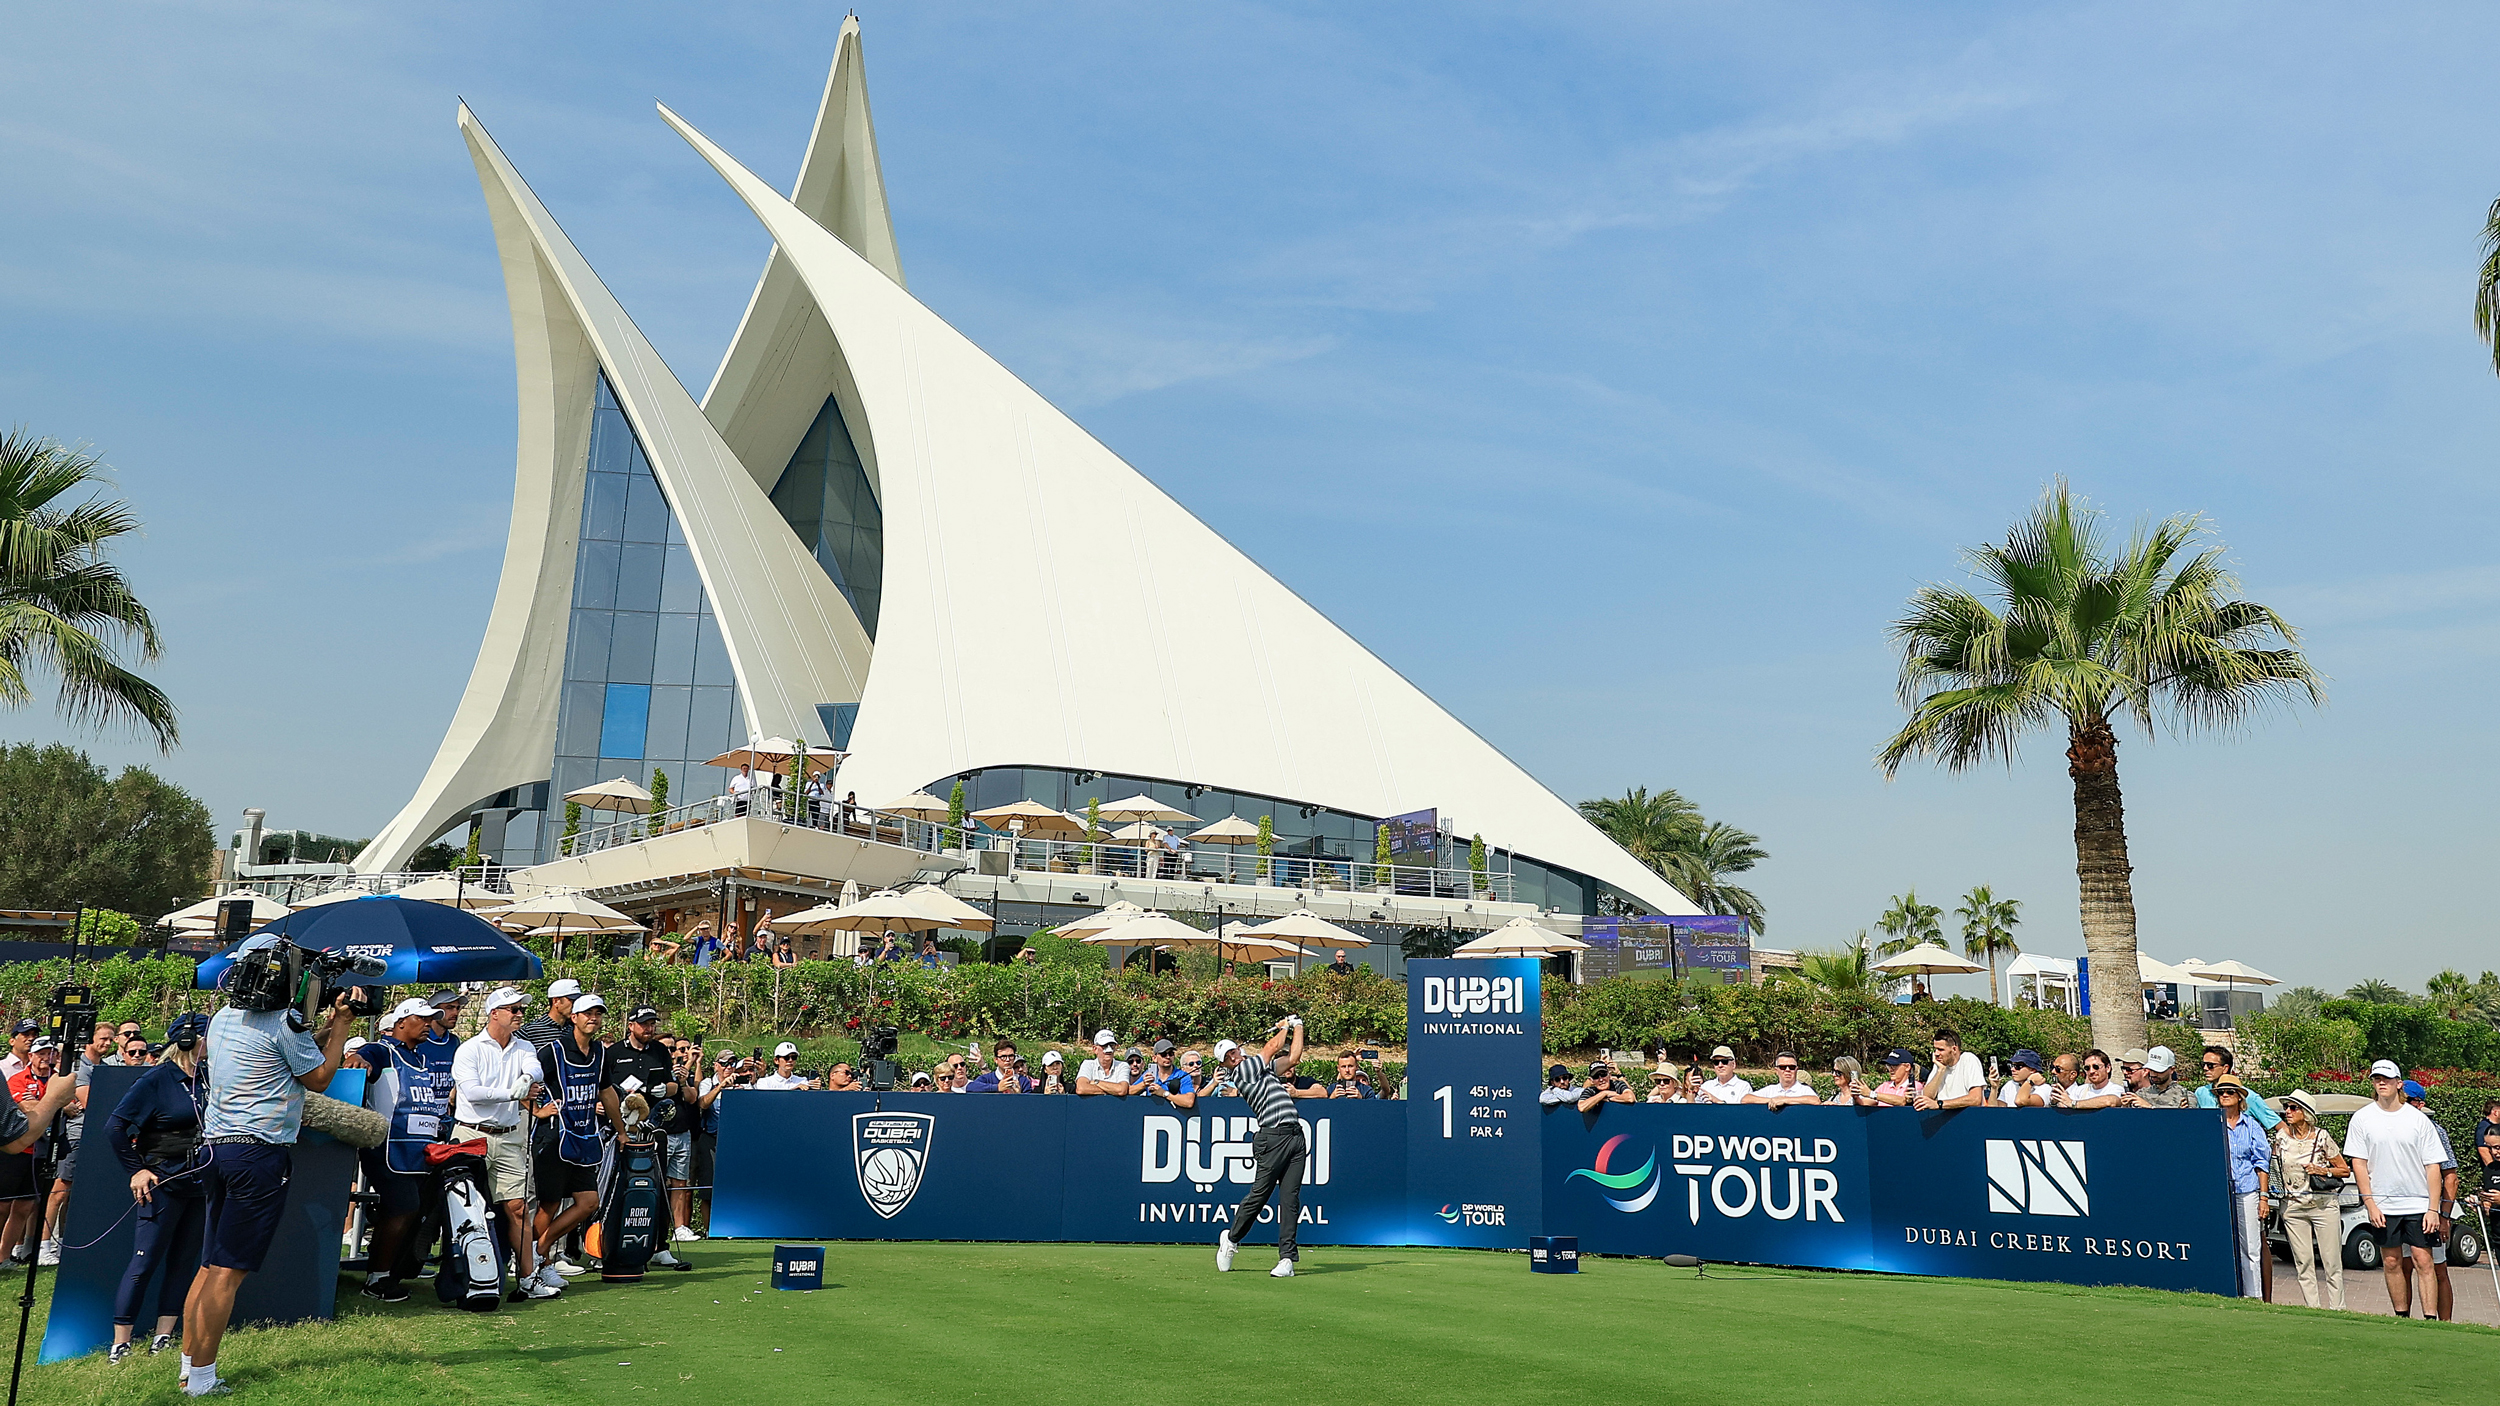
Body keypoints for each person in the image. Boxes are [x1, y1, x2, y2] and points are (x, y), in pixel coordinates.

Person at [181, 942, 359, 1398]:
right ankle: (202, 1380)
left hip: (217, 1151)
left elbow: (287, 1054)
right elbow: (318, 1077)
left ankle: (188, 1365)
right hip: (259, 1156)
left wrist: (319, 1028)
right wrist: (339, 1027)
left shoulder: (221, 1017)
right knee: (228, 1271)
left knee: (209, 1265)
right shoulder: (284, 1023)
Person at [101, 1012, 209, 1363]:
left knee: (183, 1262)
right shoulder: (157, 1079)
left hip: (198, 1181)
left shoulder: (208, 1079)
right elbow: (115, 1128)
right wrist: (137, 1171)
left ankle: (164, 1336)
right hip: (162, 1182)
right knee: (144, 1262)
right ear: (189, 1041)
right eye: (209, 1036)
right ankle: (121, 1341)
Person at [452, 987, 557, 1302]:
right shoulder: (470, 1049)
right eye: (512, 1009)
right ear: (494, 1013)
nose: (519, 1014)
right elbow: (472, 1093)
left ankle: (527, 1279)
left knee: (518, 1208)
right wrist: (514, 1091)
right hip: (471, 1135)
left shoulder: (524, 1045)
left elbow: (535, 1068)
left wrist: (528, 1078)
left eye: (521, 1009)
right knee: (466, 1210)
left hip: (510, 1136)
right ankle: (465, 1276)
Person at [354, 997, 454, 1302]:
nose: (427, 1025)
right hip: (386, 1149)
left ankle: (390, 1271)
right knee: (404, 1206)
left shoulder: (419, 1058)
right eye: (421, 1019)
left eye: (429, 1020)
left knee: (409, 1210)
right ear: (400, 1023)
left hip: (417, 1152)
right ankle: (377, 1279)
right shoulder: (381, 1050)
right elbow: (357, 1059)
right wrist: (356, 1060)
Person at [2346, 1059, 2447, 1320]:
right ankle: (2401, 1317)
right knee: (2391, 1262)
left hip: (2418, 1203)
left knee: (2423, 1260)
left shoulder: (2418, 1120)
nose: (2381, 1083)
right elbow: (2359, 1164)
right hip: (2383, 1205)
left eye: (2387, 1079)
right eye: (2377, 1079)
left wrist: (2433, 1209)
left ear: (2398, 1083)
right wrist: (2370, 1203)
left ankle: (2429, 1318)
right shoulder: (2362, 1118)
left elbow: (2433, 1167)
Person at [1210, 1017, 1308, 1278]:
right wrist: (1283, 1026)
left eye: (1234, 1051)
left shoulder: (1264, 1070)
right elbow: (1272, 1047)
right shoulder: (1243, 1072)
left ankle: (1287, 1259)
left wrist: (1298, 1025)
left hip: (1296, 1136)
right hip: (1272, 1138)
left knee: (1290, 1199)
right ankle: (1231, 1239)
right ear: (1225, 1064)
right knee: (1260, 1195)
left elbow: (1294, 1057)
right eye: (1229, 1057)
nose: (1234, 1057)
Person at [597, 1007, 692, 1267]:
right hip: (619, 1130)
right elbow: (601, 1089)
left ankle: (660, 1246)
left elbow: (673, 1086)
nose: (648, 1029)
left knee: (658, 1186)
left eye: (652, 1024)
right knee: (613, 1188)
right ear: (631, 1025)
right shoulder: (613, 1053)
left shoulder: (660, 1051)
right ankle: (605, 1243)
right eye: (643, 1024)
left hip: (651, 1129)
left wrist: (665, 1089)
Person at [530, 993, 608, 1285]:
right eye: (588, 1013)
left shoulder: (599, 1052)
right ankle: (536, 1261)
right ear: (573, 1017)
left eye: (598, 1014)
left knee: (589, 1201)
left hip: (584, 1137)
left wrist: (622, 1130)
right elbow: (526, 1082)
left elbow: (607, 1090)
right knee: (548, 1205)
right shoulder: (553, 1050)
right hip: (554, 1137)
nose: (593, 1018)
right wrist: (536, 1111)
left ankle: (539, 1250)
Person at [38, 1018, 120, 1264]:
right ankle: (43, 1247)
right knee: (59, 1192)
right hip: (76, 1136)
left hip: (94, 1136)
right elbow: (90, 1102)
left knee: (74, 1195)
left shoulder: (104, 1067)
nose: (106, 1043)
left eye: (110, 1038)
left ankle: (65, 1245)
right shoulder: (79, 1067)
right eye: (102, 1038)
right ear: (91, 1039)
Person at [2273, 1090, 2348, 1311]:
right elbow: (2275, 1168)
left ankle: (2337, 1309)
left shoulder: (2322, 1136)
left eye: (2293, 1107)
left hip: (2323, 1205)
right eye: (2286, 1107)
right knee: (2302, 1261)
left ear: (2305, 1113)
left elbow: (2344, 1170)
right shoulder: (2281, 1138)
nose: (2287, 1111)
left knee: (2331, 1261)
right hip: (2293, 1206)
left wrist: (2322, 1170)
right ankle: (2312, 1308)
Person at [2402, 1080, 2459, 1321]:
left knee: (2437, 1269)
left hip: (2429, 1210)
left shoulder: (2434, 1130)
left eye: (2405, 1100)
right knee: (2401, 1266)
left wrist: (2444, 1215)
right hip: (2400, 1208)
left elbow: (2451, 1177)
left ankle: (2445, 1324)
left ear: (2419, 1104)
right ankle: (2402, 1320)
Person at [2214, 1076, 2269, 1298]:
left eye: (2229, 1092)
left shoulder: (2252, 1126)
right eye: (2221, 1092)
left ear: (2239, 1096)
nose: (2225, 1095)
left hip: (2247, 1190)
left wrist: (2263, 1197)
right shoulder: (2213, 1124)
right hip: (2220, 1194)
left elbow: (2262, 1163)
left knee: (2251, 1247)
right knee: (2225, 1246)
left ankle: (2253, 1295)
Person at [2192, 1047, 2279, 1128]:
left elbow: (2278, 1124)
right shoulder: (2201, 1093)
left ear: (2225, 1068)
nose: (2205, 1068)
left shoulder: (2248, 1096)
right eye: (2203, 1064)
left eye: (2210, 1065)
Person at [1914, 1029, 1988, 1111]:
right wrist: (1940, 1071)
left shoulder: (1968, 1059)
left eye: (1941, 1049)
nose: (1936, 1054)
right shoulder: (1939, 1065)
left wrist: (1939, 1104)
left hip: (1967, 1118)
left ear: (1954, 1049)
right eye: (1935, 1049)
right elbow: (1927, 1097)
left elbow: (1975, 1099)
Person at [518, 979, 583, 1050]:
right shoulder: (529, 1031)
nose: (576, 1005)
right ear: (556, 1001)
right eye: (572, 1000)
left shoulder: (574, 1030)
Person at [2050, 1050, 2125, 1110]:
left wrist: (2074, 1104)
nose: (2091, 1071)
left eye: (2096, 1067)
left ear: (2108, 1068)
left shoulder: (2116, 1089)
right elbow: (2065, 1103)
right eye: (2087, 1068)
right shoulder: (2080, 1090)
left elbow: (2110, 1101)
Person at [1746, 1052, 1820, 1105]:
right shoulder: (1770, 1090)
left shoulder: (1804, 1090)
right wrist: (1772, 1100)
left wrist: (1785, 1100)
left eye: (1791, 1067)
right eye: (1783, 1067)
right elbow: (1746, 1099)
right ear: (1776, 1071)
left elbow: (1816, 1101)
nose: (1787, 1070)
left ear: (1796, 1069)